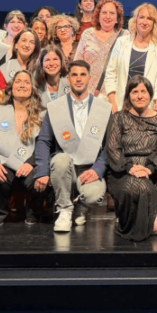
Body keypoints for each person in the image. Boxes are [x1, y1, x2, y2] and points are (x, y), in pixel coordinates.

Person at [34, 60, 112, 232]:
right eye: (74, 75)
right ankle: (64, 210)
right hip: (65, 166)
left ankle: (81, 206)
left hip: (89, 168)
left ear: (90, 78)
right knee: (60, 160)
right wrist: (41, 170)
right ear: (67, 79)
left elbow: (110, 145)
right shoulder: (55, 107)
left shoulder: (104, 108)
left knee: (94, 196)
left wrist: (98, 170)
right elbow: (44, 141)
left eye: (82, 74)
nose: (78, 79)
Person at [106, 75, 157, 240]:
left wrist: (148, 169)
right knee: (139, 187)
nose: (140, 96)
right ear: (128, 95)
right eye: (135, 92)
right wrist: (131, 168)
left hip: (154, 174)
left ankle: (134, 218)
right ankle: (127, 219)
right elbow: (113, 149)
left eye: (143, 91)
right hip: (123, 172)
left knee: (156, 228)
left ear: (150, 94)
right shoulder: (118, 118)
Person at [0, 69, 49, 225]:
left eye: (27, 82)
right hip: (4, 161)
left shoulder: (42, 114)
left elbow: (45, 143)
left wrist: (32, 162)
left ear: (32, 88)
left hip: (28, 163)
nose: (22, 85)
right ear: (11, 87)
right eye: (18, 81)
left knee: (37, 179)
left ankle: (34, 213)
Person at [104, 4, 157, 113]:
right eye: (142, 17)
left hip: (147, 108)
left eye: (149, 19)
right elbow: (110, 74)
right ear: (136, 20)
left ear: (154, 23)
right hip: (121, 105)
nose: (144, 22)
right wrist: (112, 102)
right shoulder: (121, 42)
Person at [0, 28, 40, 93]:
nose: (27, 45)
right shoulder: (5, 68)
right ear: (16, 45)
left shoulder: (39, 69)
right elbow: (2, 95)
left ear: (35, 48)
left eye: (32, 42)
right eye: (24, 40)